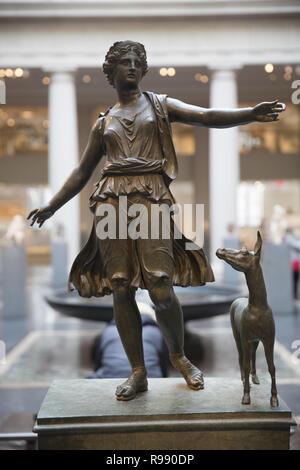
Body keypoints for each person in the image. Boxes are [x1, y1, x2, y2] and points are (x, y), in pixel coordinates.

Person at [28, 40, 285, 401]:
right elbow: (81, 172)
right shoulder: (104, 124)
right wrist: (52, 205)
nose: (132, 67)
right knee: (120, 284)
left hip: (151, 197)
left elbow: (206, 115)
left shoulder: (160, 106)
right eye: (125, 62)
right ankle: (138, 372)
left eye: (138, 62)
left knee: (161, 285)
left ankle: (179, 356)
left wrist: (248, 114)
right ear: (111, 72)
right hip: (111, 202)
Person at [88, 302, 169, 380]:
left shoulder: (108, 331)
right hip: (150, 379)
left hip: (108, 377)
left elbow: (97, 361)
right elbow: (164, 364)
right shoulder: (156, 332)